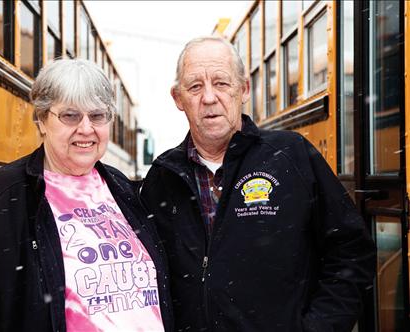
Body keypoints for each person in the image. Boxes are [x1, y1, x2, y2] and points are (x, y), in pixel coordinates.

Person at [140, 36, 376, 332]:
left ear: (244, 89)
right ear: (178, 98)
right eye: (195, 86)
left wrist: (319, 327)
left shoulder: (291, 155)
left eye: (222, 83)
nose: (209, 98)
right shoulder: (163, 176)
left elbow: (351, 250)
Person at [0, 59, 171, 332]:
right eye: (70, 116)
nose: (86, 128)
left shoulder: (121, 188)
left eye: (97, 116)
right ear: (41, 120)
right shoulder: (3, 193)